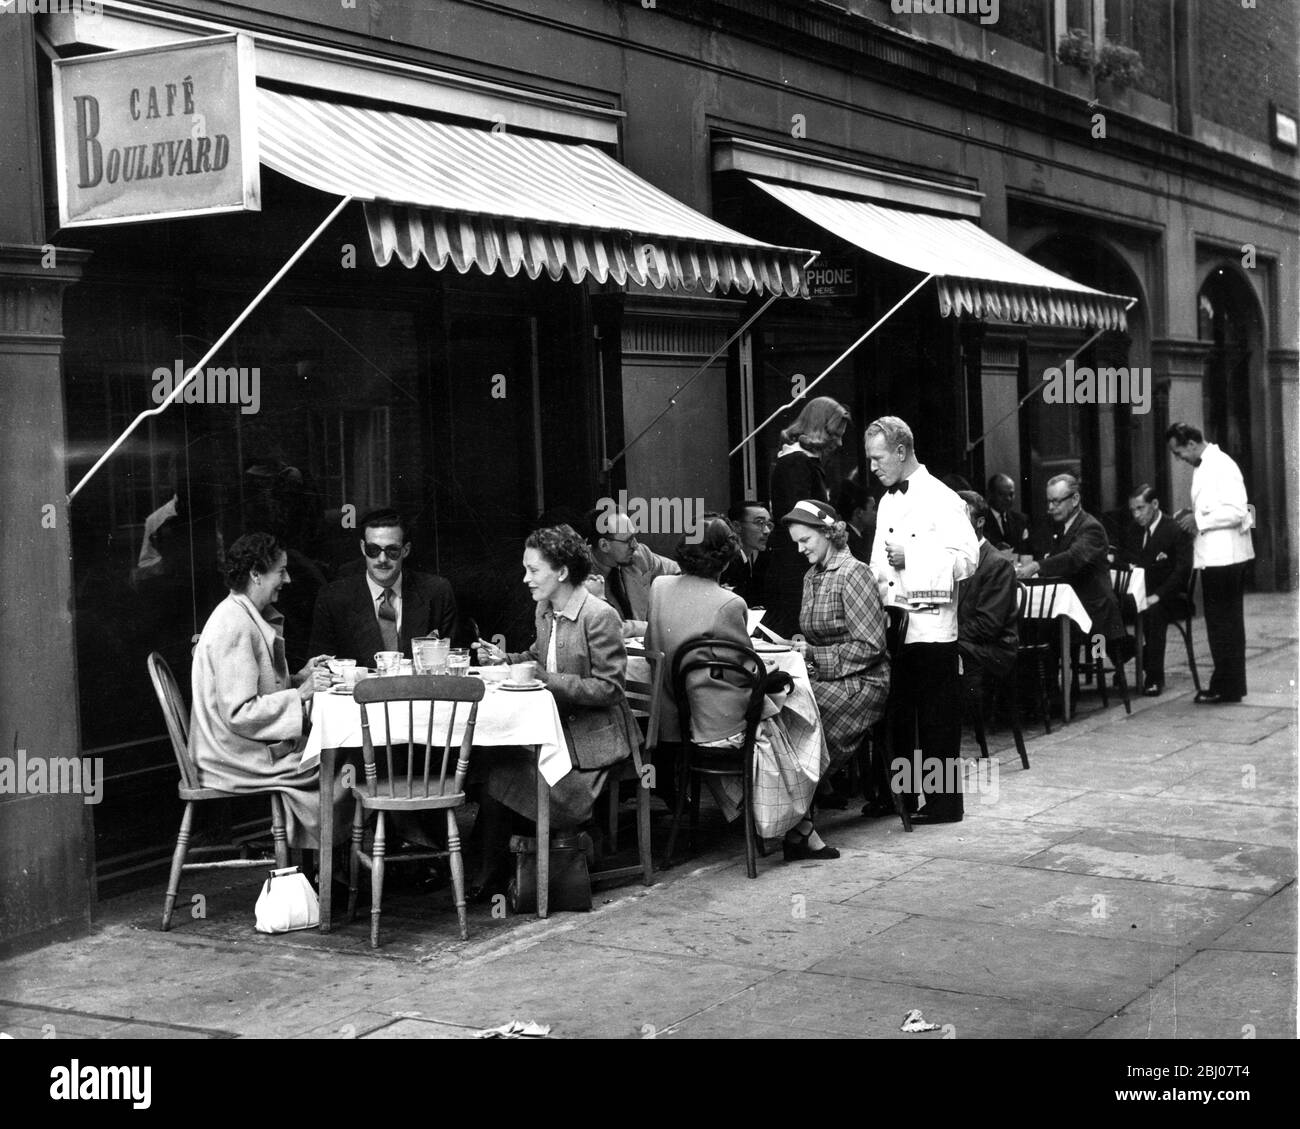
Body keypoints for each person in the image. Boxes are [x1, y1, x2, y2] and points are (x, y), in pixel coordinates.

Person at [646, 515, 833, 858]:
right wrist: (774, 671)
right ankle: (800, 822)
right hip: (717, 722)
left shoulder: (659, 587)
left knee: (781, 711)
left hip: (674, 717)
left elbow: (650, 647)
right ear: (726, 557)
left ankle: (795, 824)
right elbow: (745, 670)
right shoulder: (729, 603)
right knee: (800, 702)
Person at [472, 525, 640, 897]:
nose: (525, 578)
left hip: (594, 743)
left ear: (562, 572)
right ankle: (499, 870)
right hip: (558, 733)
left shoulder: (599, 616)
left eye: (533, 570)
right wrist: (506, 659)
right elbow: (538, 656)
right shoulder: (546, 609)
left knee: (502, 776)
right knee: (495, 769)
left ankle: (506, 871)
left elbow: (610, 689)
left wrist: (547, 680)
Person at [188, 532, 338, 848]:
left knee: (330, 757)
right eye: (280, 571)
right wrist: (300, 695)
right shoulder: (235, 625)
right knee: (336, 767)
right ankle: (328, 869)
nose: (288, 579)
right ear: (256, 574)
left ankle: (316, 866)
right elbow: (240, 712)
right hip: (229, 758)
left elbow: (256, 691)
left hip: (231, 748)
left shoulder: (241, 613)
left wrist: (300, 677)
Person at [867, 416, 978, 824]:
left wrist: (911, 557)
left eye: (879, 458)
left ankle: (945, 805)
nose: (873, 467)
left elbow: (968, 559)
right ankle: (902, 798)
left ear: (901, 451)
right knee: (900, 716)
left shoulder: (942, 497)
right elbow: (878, 561)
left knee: (936, 719)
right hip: (894, 625)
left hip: (932, 626)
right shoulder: (886, 500)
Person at [785, 499, 891, 828]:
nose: (800, 549)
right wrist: (801, 645)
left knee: (799, 707)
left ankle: (796, 804)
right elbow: (818, 635)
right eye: (796, 543)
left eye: (806, 540)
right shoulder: (811, 576)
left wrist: (815, 655)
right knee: (783, 701)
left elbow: (871, 646)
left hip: (866, 681)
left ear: (829, 533)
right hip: (829, 676)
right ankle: (794, 802)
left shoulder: (853, 574)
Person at [1166, 423, 1254, 703]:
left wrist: (1199, 520)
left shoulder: (1222, 465)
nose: (1178, 458)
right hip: (1216, 557)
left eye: (1178, 452)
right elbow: (1216, 505)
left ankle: (1226, 687)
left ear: (1192, 444)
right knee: (1221, 624)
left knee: (1224, 624)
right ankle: (1226, 684)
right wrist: (1193, 513)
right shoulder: (1205, 466)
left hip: (1226, 557)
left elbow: (1238, 510)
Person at [1017, 474, 1127, 694]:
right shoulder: (1064, 526)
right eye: (1049, 501)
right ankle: (1045, 693)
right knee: (1034, 626)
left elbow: (1073, 558)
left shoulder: (1090, 527)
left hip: (1094, 611)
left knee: (1042, 631)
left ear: (1075, 499)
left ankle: (1055, 696)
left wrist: (1037, 566)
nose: (1051, 507)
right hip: (1076, 606)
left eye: (1056, 501)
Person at [309, 508, 458, 668]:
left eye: (392, 551)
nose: (382, 559)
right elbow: (319, 667)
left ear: (405, 550)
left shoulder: (436, 592)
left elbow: (455, 659)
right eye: (373, 550)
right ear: (362, 547)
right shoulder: (333, 598)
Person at [764, 396, 851, 638]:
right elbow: (802, 521)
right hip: (796, 568)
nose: (840, 443)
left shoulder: (798, 462)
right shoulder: (797, 464)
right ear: (820, 430)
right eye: (835, 435)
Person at [1117, 485, 1192, 697]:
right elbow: (1125, 557)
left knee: (1154, 612)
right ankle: (1131, 651)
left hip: (1169, 595)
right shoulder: (1133, 529)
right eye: (1133, 510)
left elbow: (1182, 571)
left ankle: (1154, 676)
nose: (1136, 514)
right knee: (1107, 607)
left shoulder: (1174, 530)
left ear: (1155, 504)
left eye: (1141, 508)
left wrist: (1157, 595)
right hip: (1137, 593)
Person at [954, 491, 1019, 710]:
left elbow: (988, 626)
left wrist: (946, 633)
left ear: (980, 521)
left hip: (994, 650)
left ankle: (940, 728)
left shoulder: (996, 564)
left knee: (933, 657)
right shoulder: (951, 558)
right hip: (966, 640)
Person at [583, 507, 680, 637]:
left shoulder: (640, 555)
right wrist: (649, 628)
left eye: (634, 537)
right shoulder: (579, 572)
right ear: (604, 545)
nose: (635, 545)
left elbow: (679, 572)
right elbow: (606, 627)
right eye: (628, 540)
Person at [719, 499, 772, 608]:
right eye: (760, 523)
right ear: (736, 526)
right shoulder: (727, 562)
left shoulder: (744, 560)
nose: (767, 531)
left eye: (769, 524)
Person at [833, 476, 876, 563]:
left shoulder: (860, 536)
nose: (876, 513)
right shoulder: (847, 541)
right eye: (873, 508)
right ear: (859, 512)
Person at [986, 473, 1030, 555]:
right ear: (990, 494)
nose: (1008, 499)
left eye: (1011, 494)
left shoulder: (1021, 520)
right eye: (1002, 494)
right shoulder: (981, 520)